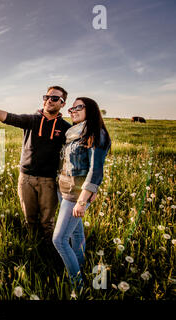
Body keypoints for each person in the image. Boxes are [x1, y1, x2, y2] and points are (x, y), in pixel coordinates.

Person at [0, 86, 72, 241]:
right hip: (26, 178)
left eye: (54, 98)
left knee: (47, 222)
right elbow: (9, 117)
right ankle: (32, 249)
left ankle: (48, 253)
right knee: (30, 220)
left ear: (63, 103)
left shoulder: (66, 128)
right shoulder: (32, 120)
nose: (49, 101)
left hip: (49, 181)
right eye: (46, 97)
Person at [52, 97, 111, 290]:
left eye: (78, 107)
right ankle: (80, 268)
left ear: (91, 109)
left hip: (76, 194)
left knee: (59, 240)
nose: (73, 110)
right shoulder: (72, 132)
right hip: (64, 188)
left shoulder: (96, 132)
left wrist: (83, 200)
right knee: (76, 233)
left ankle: (77, 286)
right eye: (72, 108)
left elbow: (95, 170)